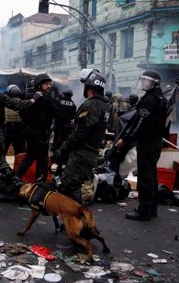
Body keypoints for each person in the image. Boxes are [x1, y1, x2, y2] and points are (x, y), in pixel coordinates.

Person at [115, 70, 167, 221]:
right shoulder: (160, 98)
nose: (144, 83)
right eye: (143, 80)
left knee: (145, 177)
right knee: (151, 175)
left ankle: (144, 211)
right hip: (155, 141)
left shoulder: (150, 100)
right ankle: (152, 208)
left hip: (148, 142)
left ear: (155, 83)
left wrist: (126, 139)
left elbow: (140, 123)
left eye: (147, 80)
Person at [54, 69, 109, 204]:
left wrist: (63, 149)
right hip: (91, 153)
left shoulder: (91, 105)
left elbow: (79, 133)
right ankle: (78, 220)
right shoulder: (103, 105)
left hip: (82, 154)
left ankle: (79, 220)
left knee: (68, 187)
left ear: (90, 86)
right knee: (76, 187)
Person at [15, 73, 59, 182]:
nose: (49, 86)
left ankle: (16, 177)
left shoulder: (29, 96)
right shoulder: (46, 97)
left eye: (49, 84)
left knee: (29, 157)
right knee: (42, 160)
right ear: (39, 85)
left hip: (30, 132)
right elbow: (57, 112)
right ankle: (39, 185)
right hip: (40, 133)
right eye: (46, 84)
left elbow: (22, 113)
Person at [51, 89, 76, 158]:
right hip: (67, 125)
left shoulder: (59, 102)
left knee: (56, 137)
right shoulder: (73, 104)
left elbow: (54, 112)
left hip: (58, 123)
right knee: (64, 139)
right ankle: (60, 152)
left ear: (64, 94)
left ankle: (54, 150)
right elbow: (73, 116)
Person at [3, 84, 27, 157]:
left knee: (2, 153)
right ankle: (18, 168)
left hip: (7, 130)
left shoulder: (6, 102)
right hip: (19, 131)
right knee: (19, 153)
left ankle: (2, 168)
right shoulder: (23, 103)